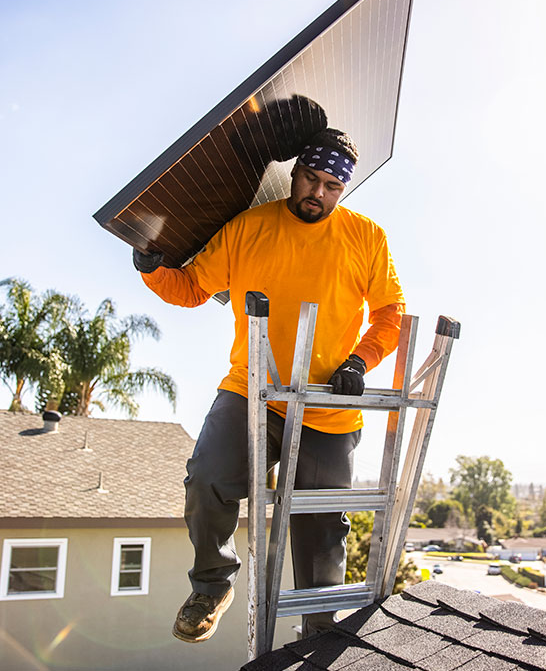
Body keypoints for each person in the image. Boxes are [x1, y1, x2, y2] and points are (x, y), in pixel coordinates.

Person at [133, 128, 405, 644]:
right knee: (207, 478)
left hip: (327, 404)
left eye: (331, 186)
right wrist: (153, 268)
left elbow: (390, 315)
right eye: (310, 179)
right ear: (294, 172)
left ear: (343, 189)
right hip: (252, 389)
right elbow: (192, 287)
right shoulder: (249, 227)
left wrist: (359, 360)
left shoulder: (366, 236)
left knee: (321, 526)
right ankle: (211, 586)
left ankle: (320, 627)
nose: (317, 193)